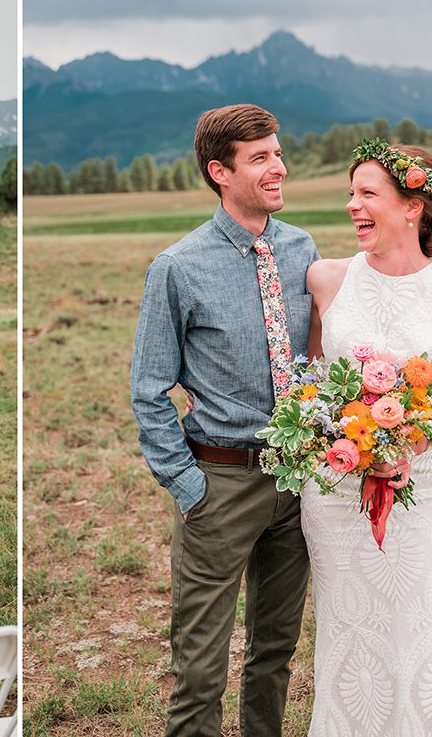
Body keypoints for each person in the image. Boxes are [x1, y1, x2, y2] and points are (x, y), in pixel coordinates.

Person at [131, 103, 319, 737]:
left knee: (275, 654)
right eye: (260, 158)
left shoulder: (302, 249)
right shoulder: (177, 267)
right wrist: (189, 488)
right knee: (200, 668)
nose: (279, 168)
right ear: (220, 171)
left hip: (296, 481)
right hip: (221, 483)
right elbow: (149, 390)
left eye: (277, 152)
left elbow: (316, 356)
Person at [300, 139, 432, 735]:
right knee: (349, 630)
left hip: (426, 489)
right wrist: (341, 437)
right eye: (350, 193)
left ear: (412, 207)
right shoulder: (325, 280)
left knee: (423, 627)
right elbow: (309, 383)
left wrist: (409, 444)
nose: (353, 205)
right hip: (335, 490)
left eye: (368, 193)